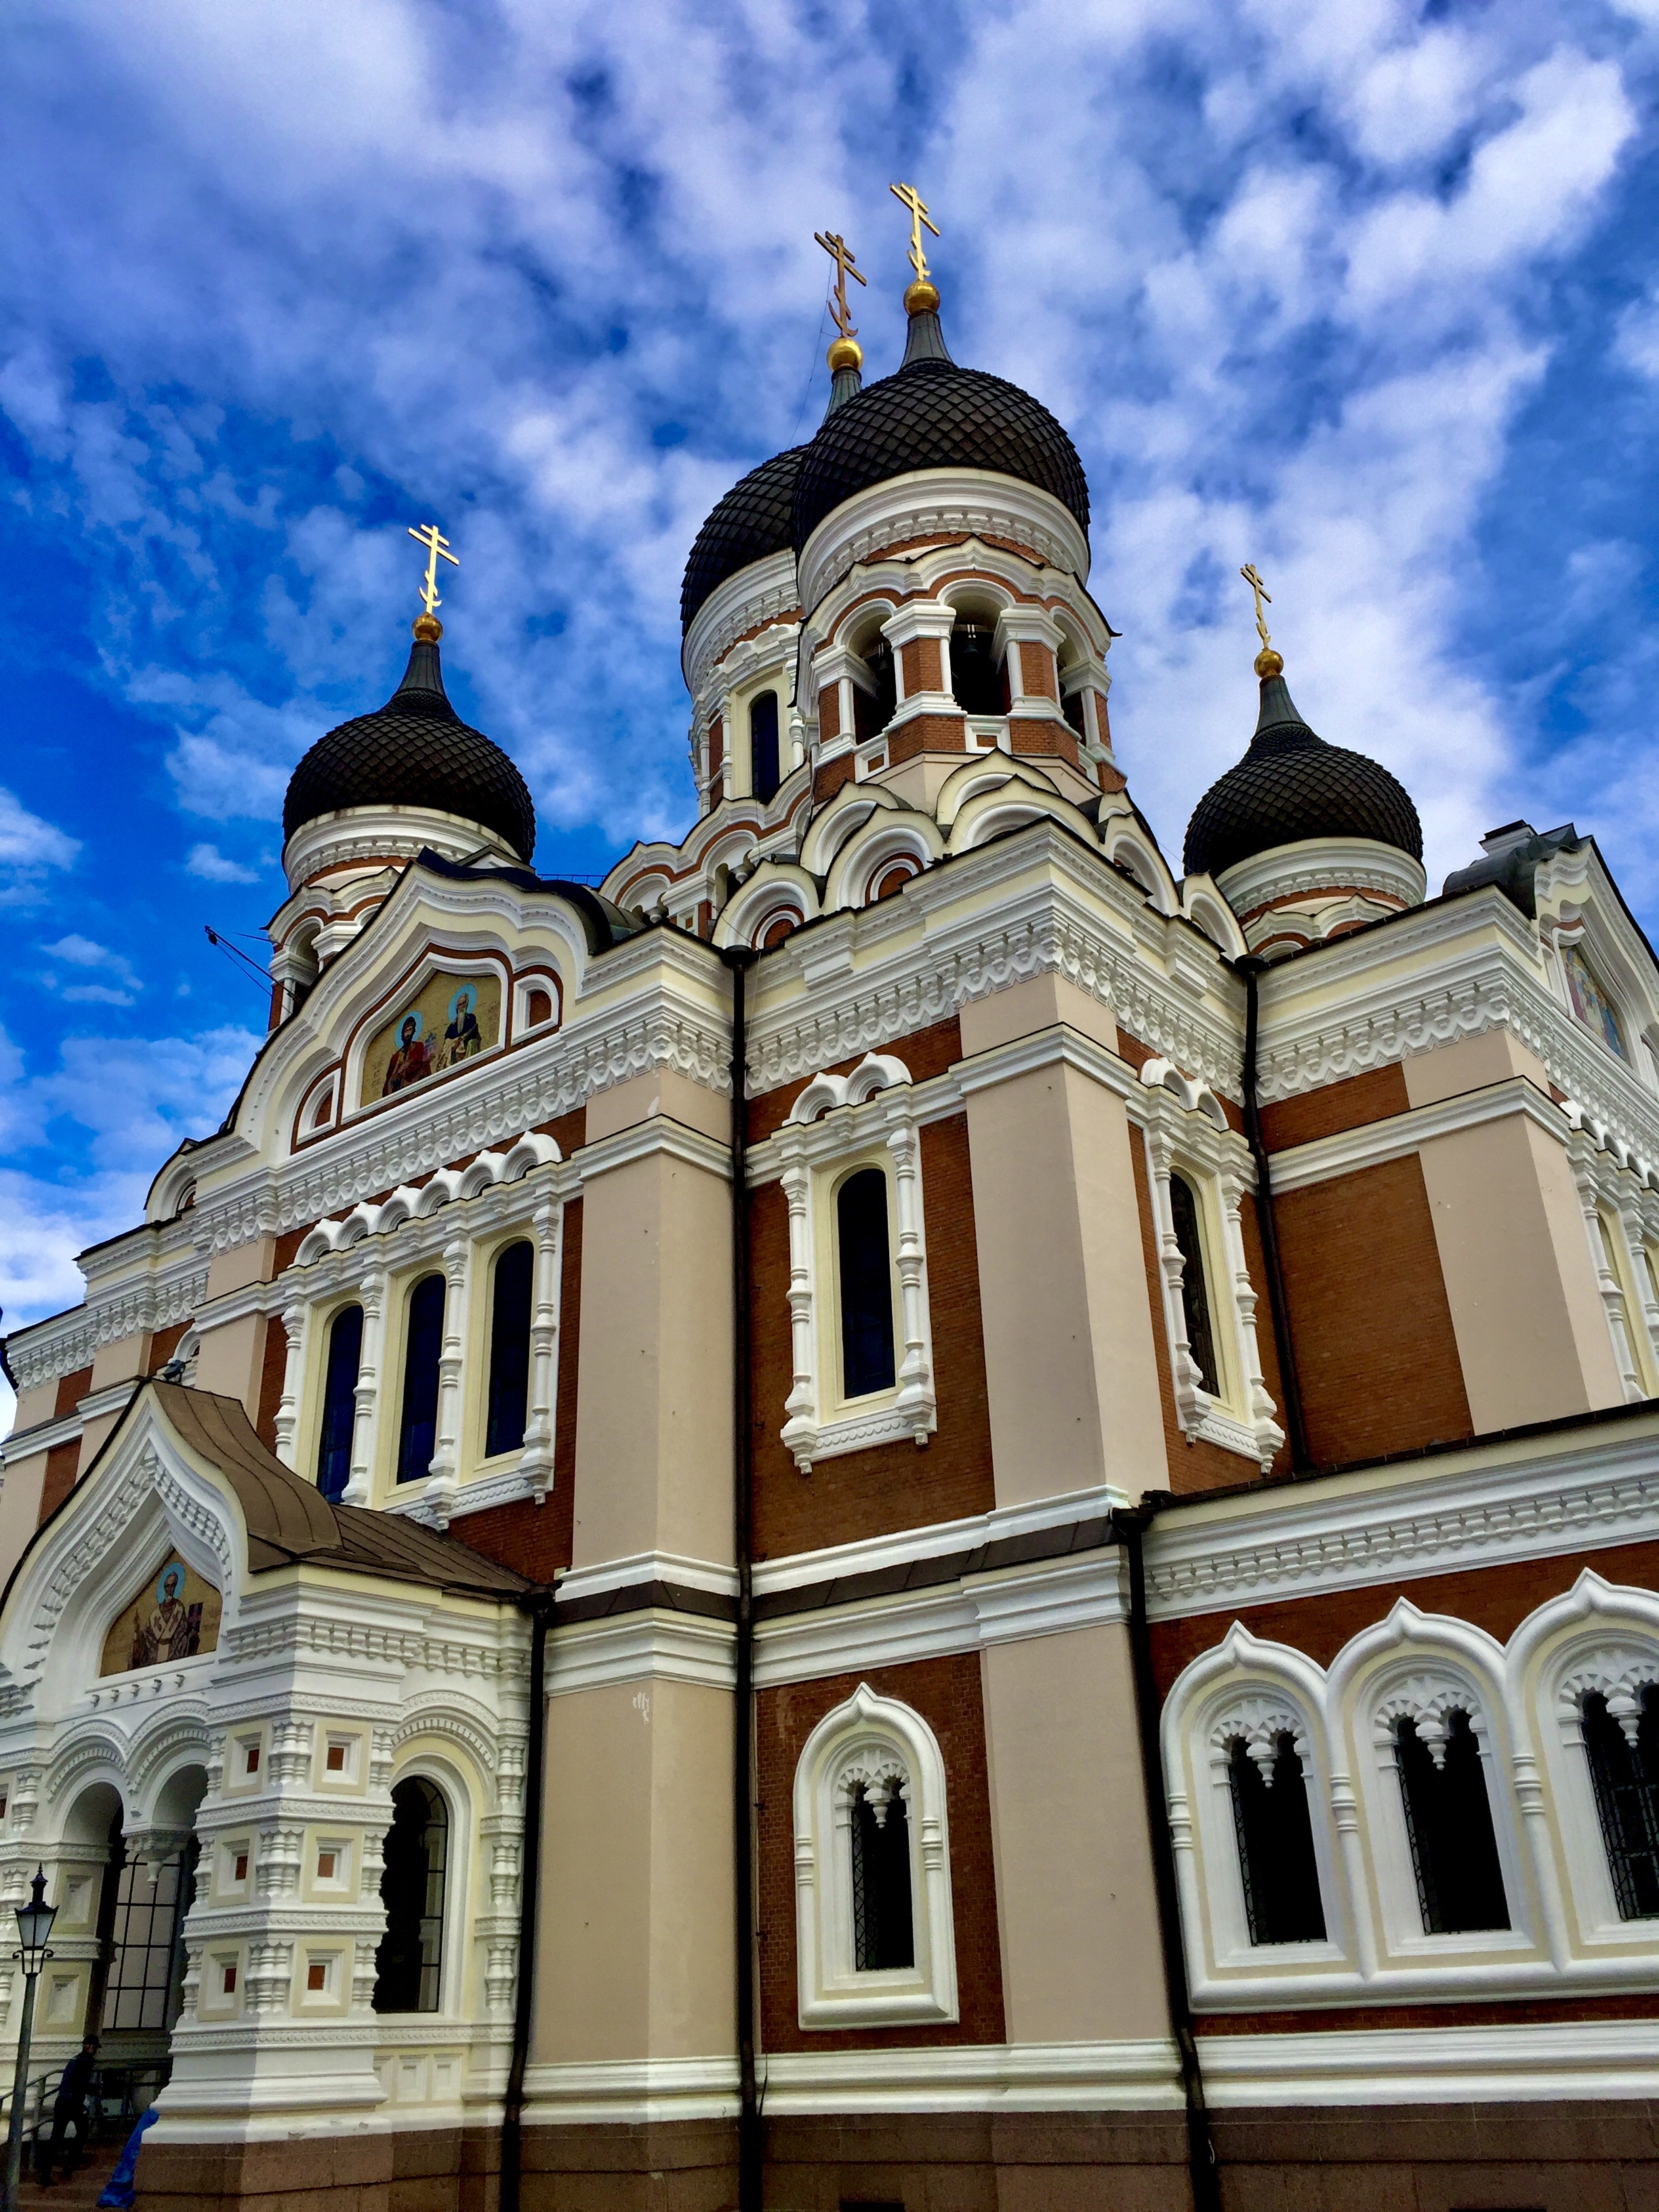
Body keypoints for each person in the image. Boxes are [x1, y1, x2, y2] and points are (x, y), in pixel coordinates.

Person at [37, 2033, 98, 2185]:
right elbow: (81, 2083)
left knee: (56, 2138)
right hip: (73, 2102)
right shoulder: (86, 2061)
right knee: (83, 2131)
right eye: (94, 2046)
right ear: (92, 2047)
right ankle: (71, 2162)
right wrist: (94, 2091)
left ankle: (44, 2173)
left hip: (63, 2101)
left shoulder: (76, 2059)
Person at [382, 1015, 431, 1095]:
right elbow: (389, 1082)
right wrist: (400, 1071)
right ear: (402, 1034)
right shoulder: (396, 1057)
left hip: (419, 1086)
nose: (408, 1034)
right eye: (406, 1031)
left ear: (414, 1031)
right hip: (401, 1092)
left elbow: (425, 1064)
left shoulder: (419, 1047)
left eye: (410, 1030)